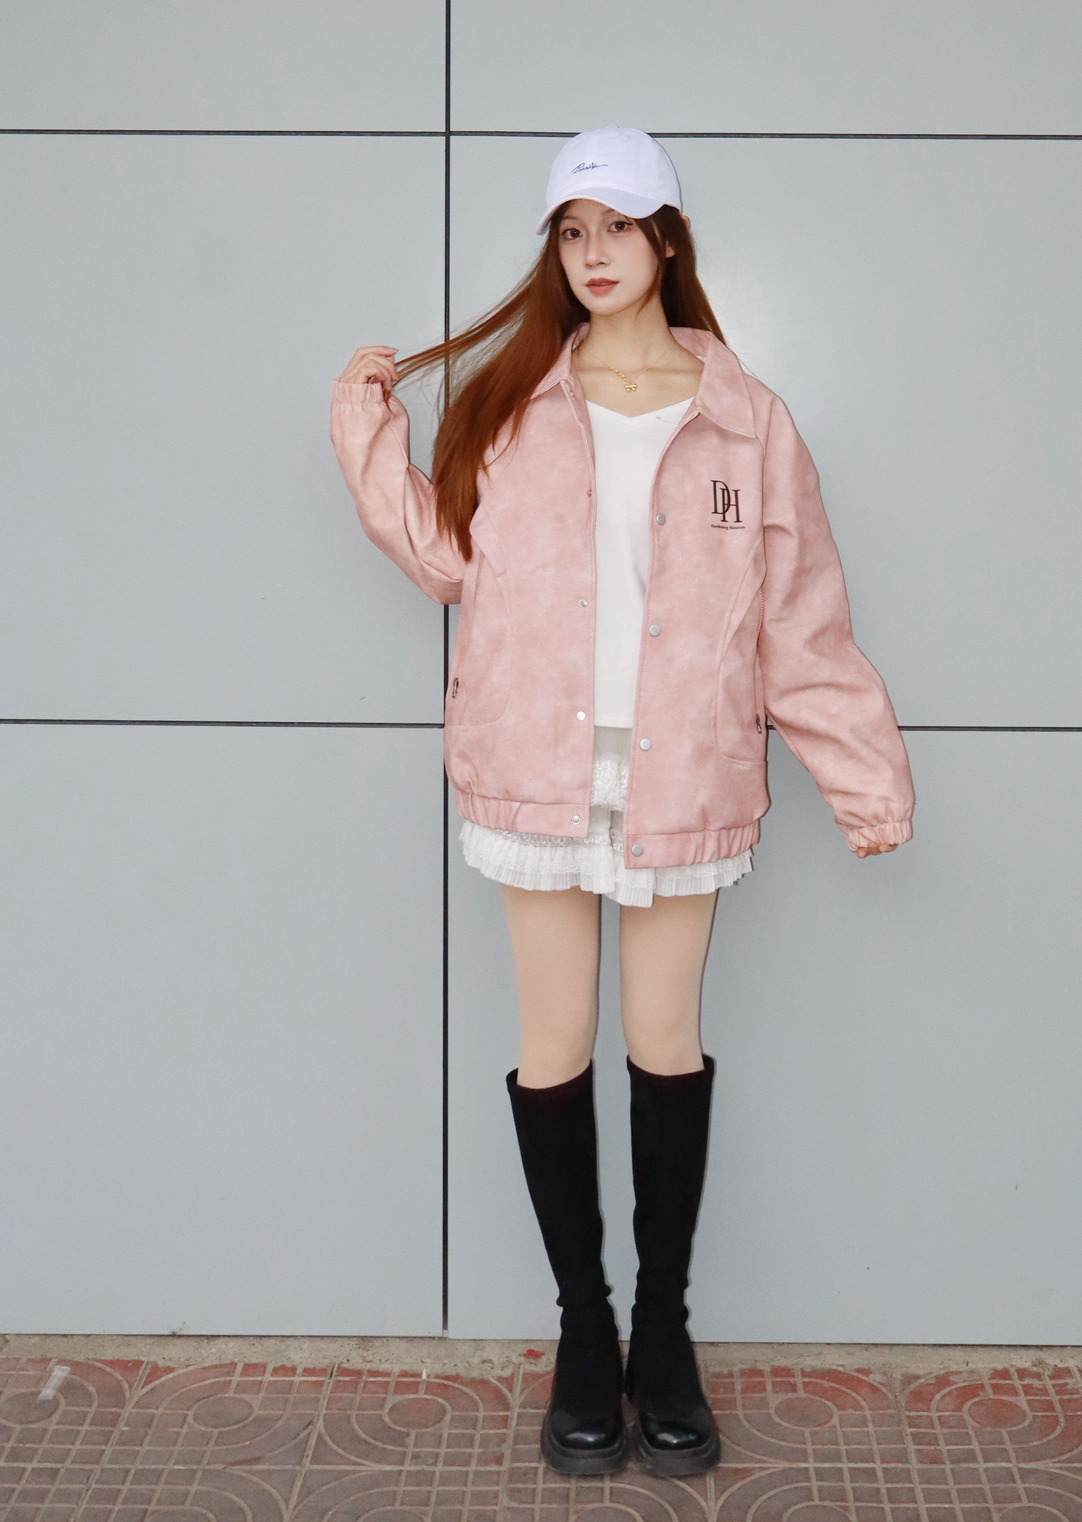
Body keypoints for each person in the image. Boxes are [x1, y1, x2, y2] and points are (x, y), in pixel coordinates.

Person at [330, 126, 913, 1479]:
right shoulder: (516, 401)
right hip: (533, 769)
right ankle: (584, 1329)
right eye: (572, 231)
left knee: (666, 1045)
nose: (593, 254)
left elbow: (800, 623)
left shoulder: (748, 419)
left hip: (684, 773)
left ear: (667, 240)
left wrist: (866, 782)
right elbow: (443, 556)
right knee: (556, 1047)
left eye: (619, 227)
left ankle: (663, 1330)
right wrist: (365, 423)